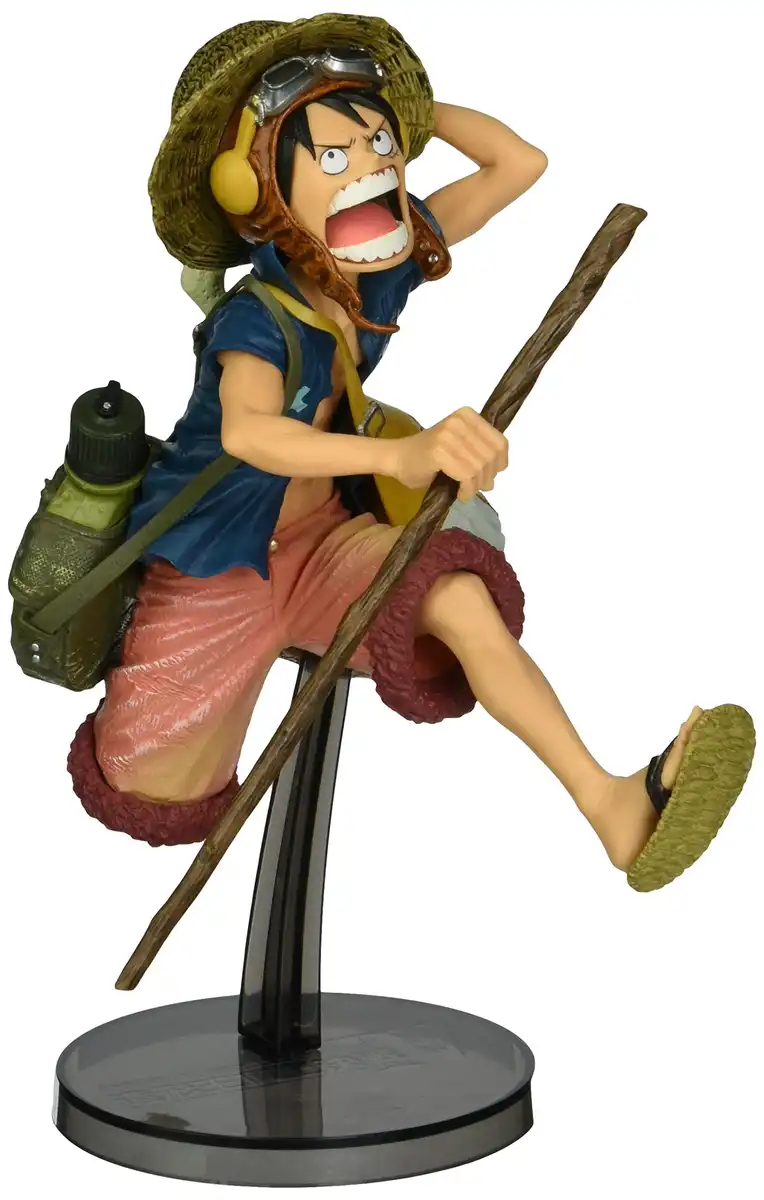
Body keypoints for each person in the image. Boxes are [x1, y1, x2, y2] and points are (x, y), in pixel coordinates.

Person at [68, 14, 754, 892]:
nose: (374, 168)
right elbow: (248, 435)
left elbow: (518, 164)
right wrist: (404, 458)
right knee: (150, 782)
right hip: (218, 567)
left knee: (458, 598)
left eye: (381, 146)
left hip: (323, 545)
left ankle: (612, 807)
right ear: (254, 189)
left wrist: (407, 109)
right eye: (334, 155)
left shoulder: (377, 269)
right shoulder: (256, 318)